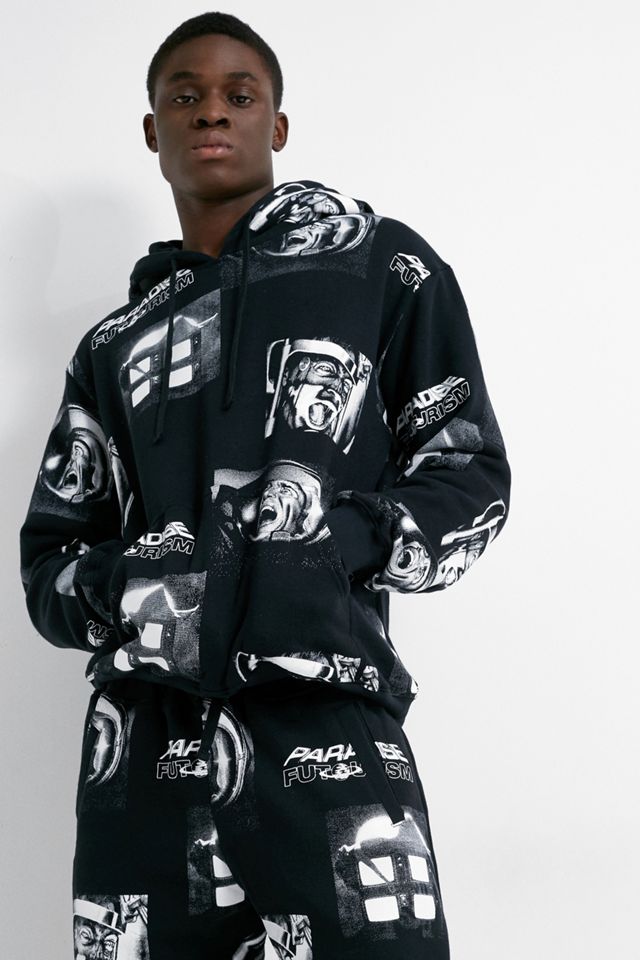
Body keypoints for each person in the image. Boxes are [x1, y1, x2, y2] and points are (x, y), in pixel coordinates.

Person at [18, 11, 511, 959]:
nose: (212, 111)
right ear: (152, 129)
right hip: (144, 746)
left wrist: (332, 547)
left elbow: (468, 470)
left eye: (239, 95)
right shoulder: (111, 347)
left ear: (277, 123)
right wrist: (146, 584)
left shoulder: (380, 264)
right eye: (185, 96)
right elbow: (50, 561)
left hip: (326, 716)